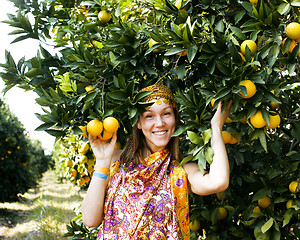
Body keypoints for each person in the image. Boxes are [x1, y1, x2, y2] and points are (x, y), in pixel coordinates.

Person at [81, 84, 232, 239]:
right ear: (138, 123)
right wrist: (102, 161)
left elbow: (219, 182)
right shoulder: (116, 161)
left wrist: (216, 128)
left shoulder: (180, 172)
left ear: (175, 119)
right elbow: (90, 219)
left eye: (166, 113)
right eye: (149, 116)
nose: (159, 123)